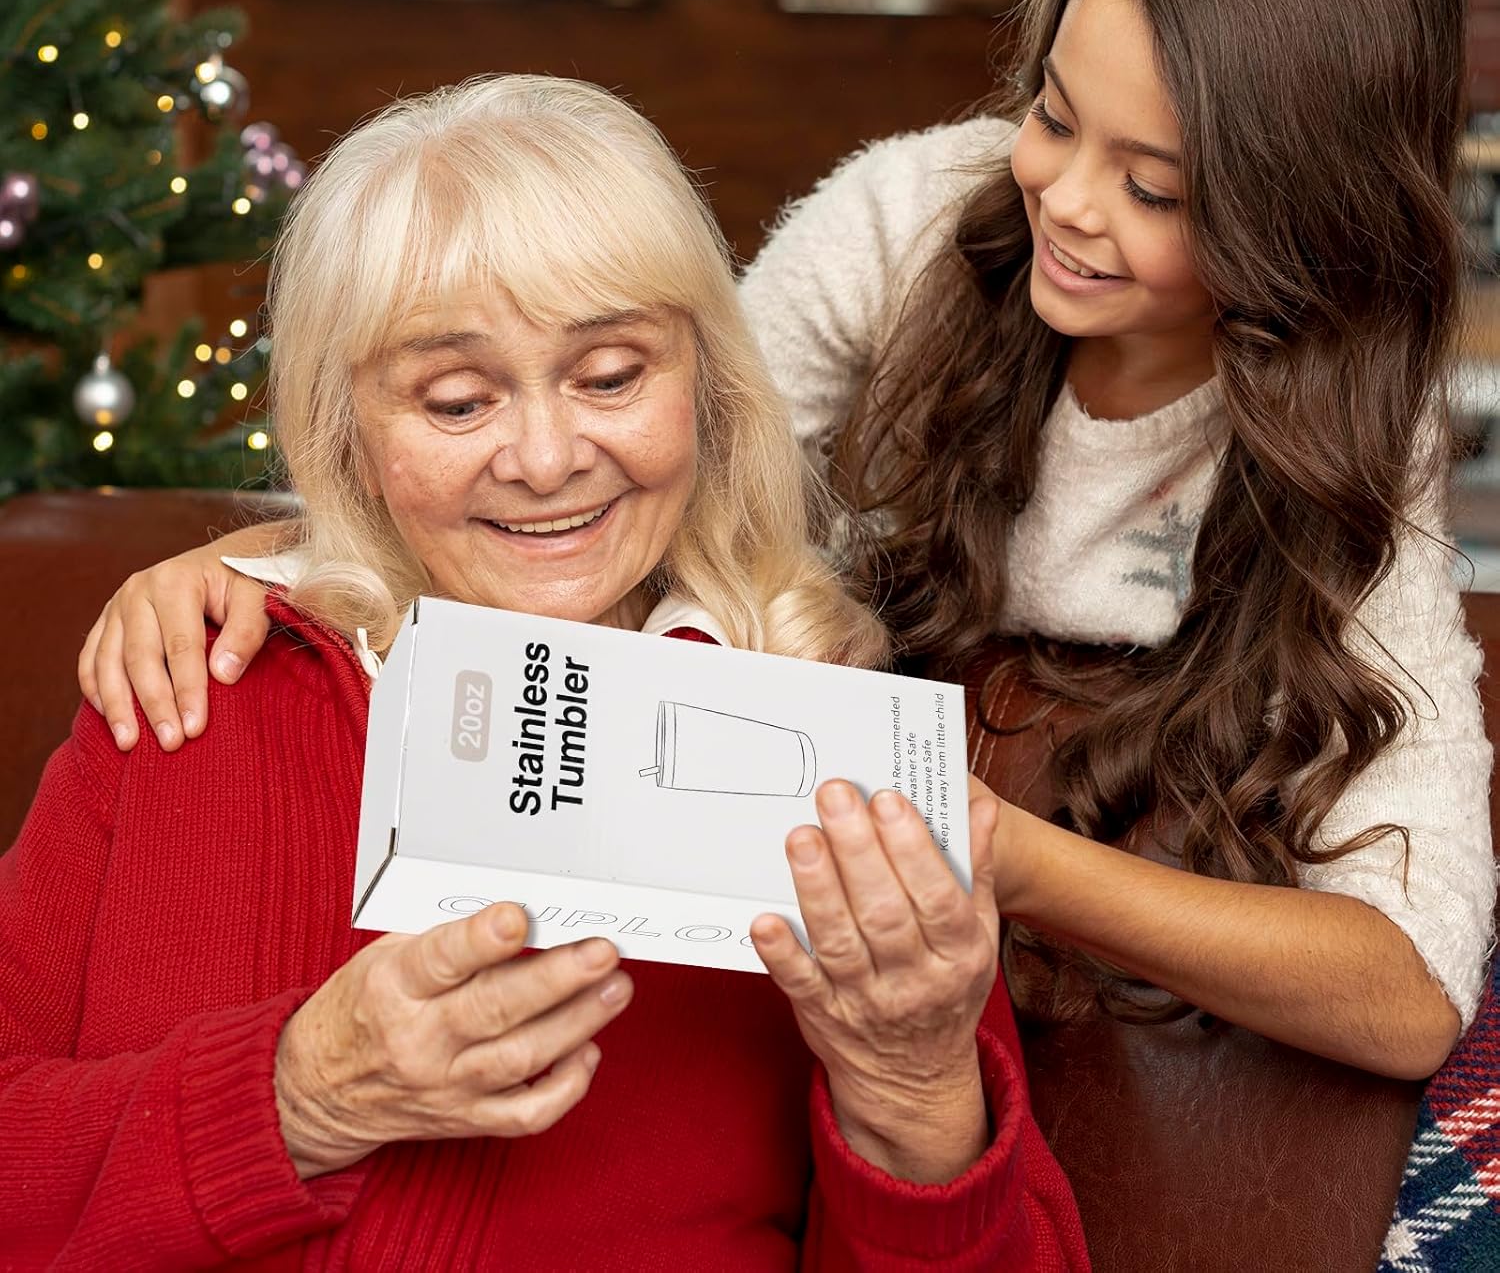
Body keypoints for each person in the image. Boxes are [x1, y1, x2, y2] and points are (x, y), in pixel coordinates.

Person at [83, 0, 1494, 1083]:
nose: (1061, 198)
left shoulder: (1352, 430)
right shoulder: (916, 218)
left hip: (1013, 892)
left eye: (1154, 188)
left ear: (1300, 216)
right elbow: (636, 455)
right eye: (1054, 119)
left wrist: (993, 853)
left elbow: (1414, 996)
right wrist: (263, 555)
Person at [1, 76, 1087, 1268]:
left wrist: (914, 1094)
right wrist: (295, 1095)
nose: (545, 458)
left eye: (612, 377)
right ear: (346, 431)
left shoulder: (829, 766)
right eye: (457, 400)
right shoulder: (190, 687)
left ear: (708, 395)